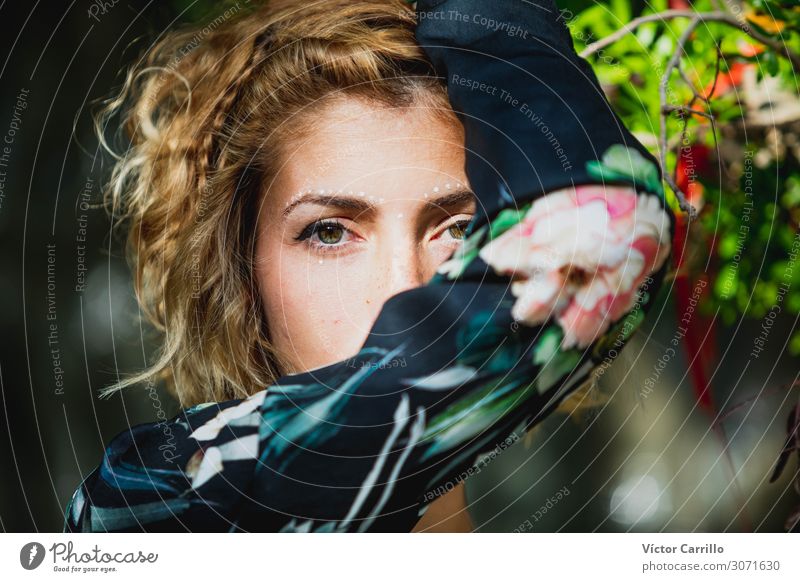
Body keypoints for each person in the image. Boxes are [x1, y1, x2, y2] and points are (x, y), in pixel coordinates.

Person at [64, 0, 676, 532]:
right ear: (244, 277)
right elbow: (609, 224)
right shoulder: (145, 503)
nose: (401, 291)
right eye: (329, 232)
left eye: (460, 229)